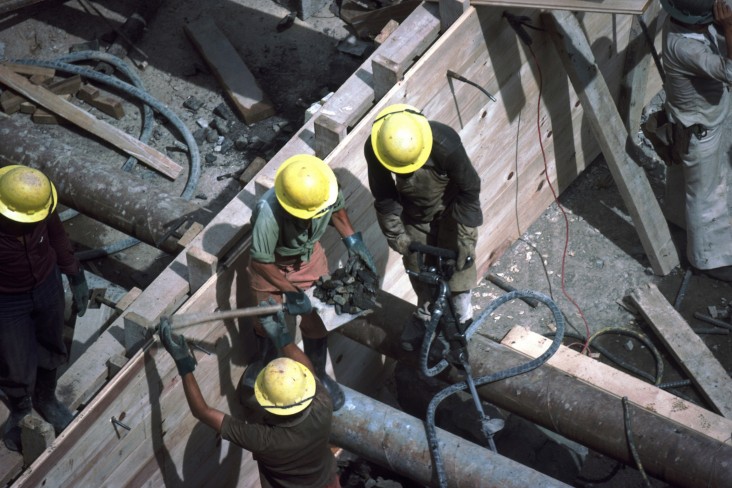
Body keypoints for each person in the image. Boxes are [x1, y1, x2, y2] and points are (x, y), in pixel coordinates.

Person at [158, 300, 341, 488]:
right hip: (327, 480)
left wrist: (183, 365)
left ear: (269, 405)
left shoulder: (265, 440)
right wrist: (283, 338)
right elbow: (308, 373)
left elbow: (202, 411)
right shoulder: (322, 405)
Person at [244, 154, 376, 411]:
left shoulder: (324, 189)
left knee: (317, 319)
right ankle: (266, 364)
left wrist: (353, 242)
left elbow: (337, 213)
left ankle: (319, 374)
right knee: (267, 322)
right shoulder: (268, 212)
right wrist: (291, 291)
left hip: (308, 259)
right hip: (272, 266)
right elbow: (261, 261)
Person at [364, 104, 483, 351]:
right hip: (415, 214)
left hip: (452, 210)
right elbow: (385, 198)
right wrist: (398, 236)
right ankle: (427, 315)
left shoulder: (444, 143)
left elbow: (469, 190)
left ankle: (463, 319)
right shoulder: (377, 148)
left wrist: (466, 239)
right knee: (418, 269)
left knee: (459, 270)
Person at [0, 165, 89, 452]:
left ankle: (46, 398)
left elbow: (58, 236)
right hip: (7, 299)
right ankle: (20, 409)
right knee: (14, 356)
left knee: (51, 342)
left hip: (46, 283)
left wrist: (75, 274)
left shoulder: (37, 202)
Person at [660, 0, 732, 281]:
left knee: (688, 184)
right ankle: (706, 260)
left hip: (697, 120)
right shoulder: (684, 47)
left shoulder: (683, 21)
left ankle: (678, 221)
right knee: (705, 197)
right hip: (699, 131)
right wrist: (728, 26)